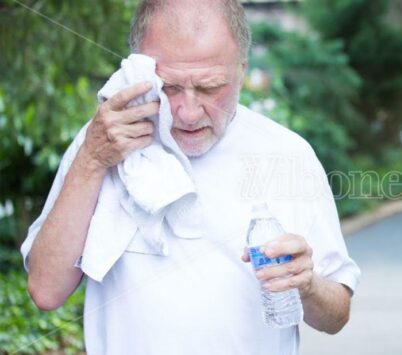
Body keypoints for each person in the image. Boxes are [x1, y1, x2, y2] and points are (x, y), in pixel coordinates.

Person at [20, 0, 361, 353]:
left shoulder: (289, 154)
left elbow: (336, 316)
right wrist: (92, 160)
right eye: (168, 87)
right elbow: (46, 290)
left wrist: (307, 285)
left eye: (211, 87)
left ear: (241, 71)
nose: (188, 111)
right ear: (139, 71)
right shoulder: (103, 142)